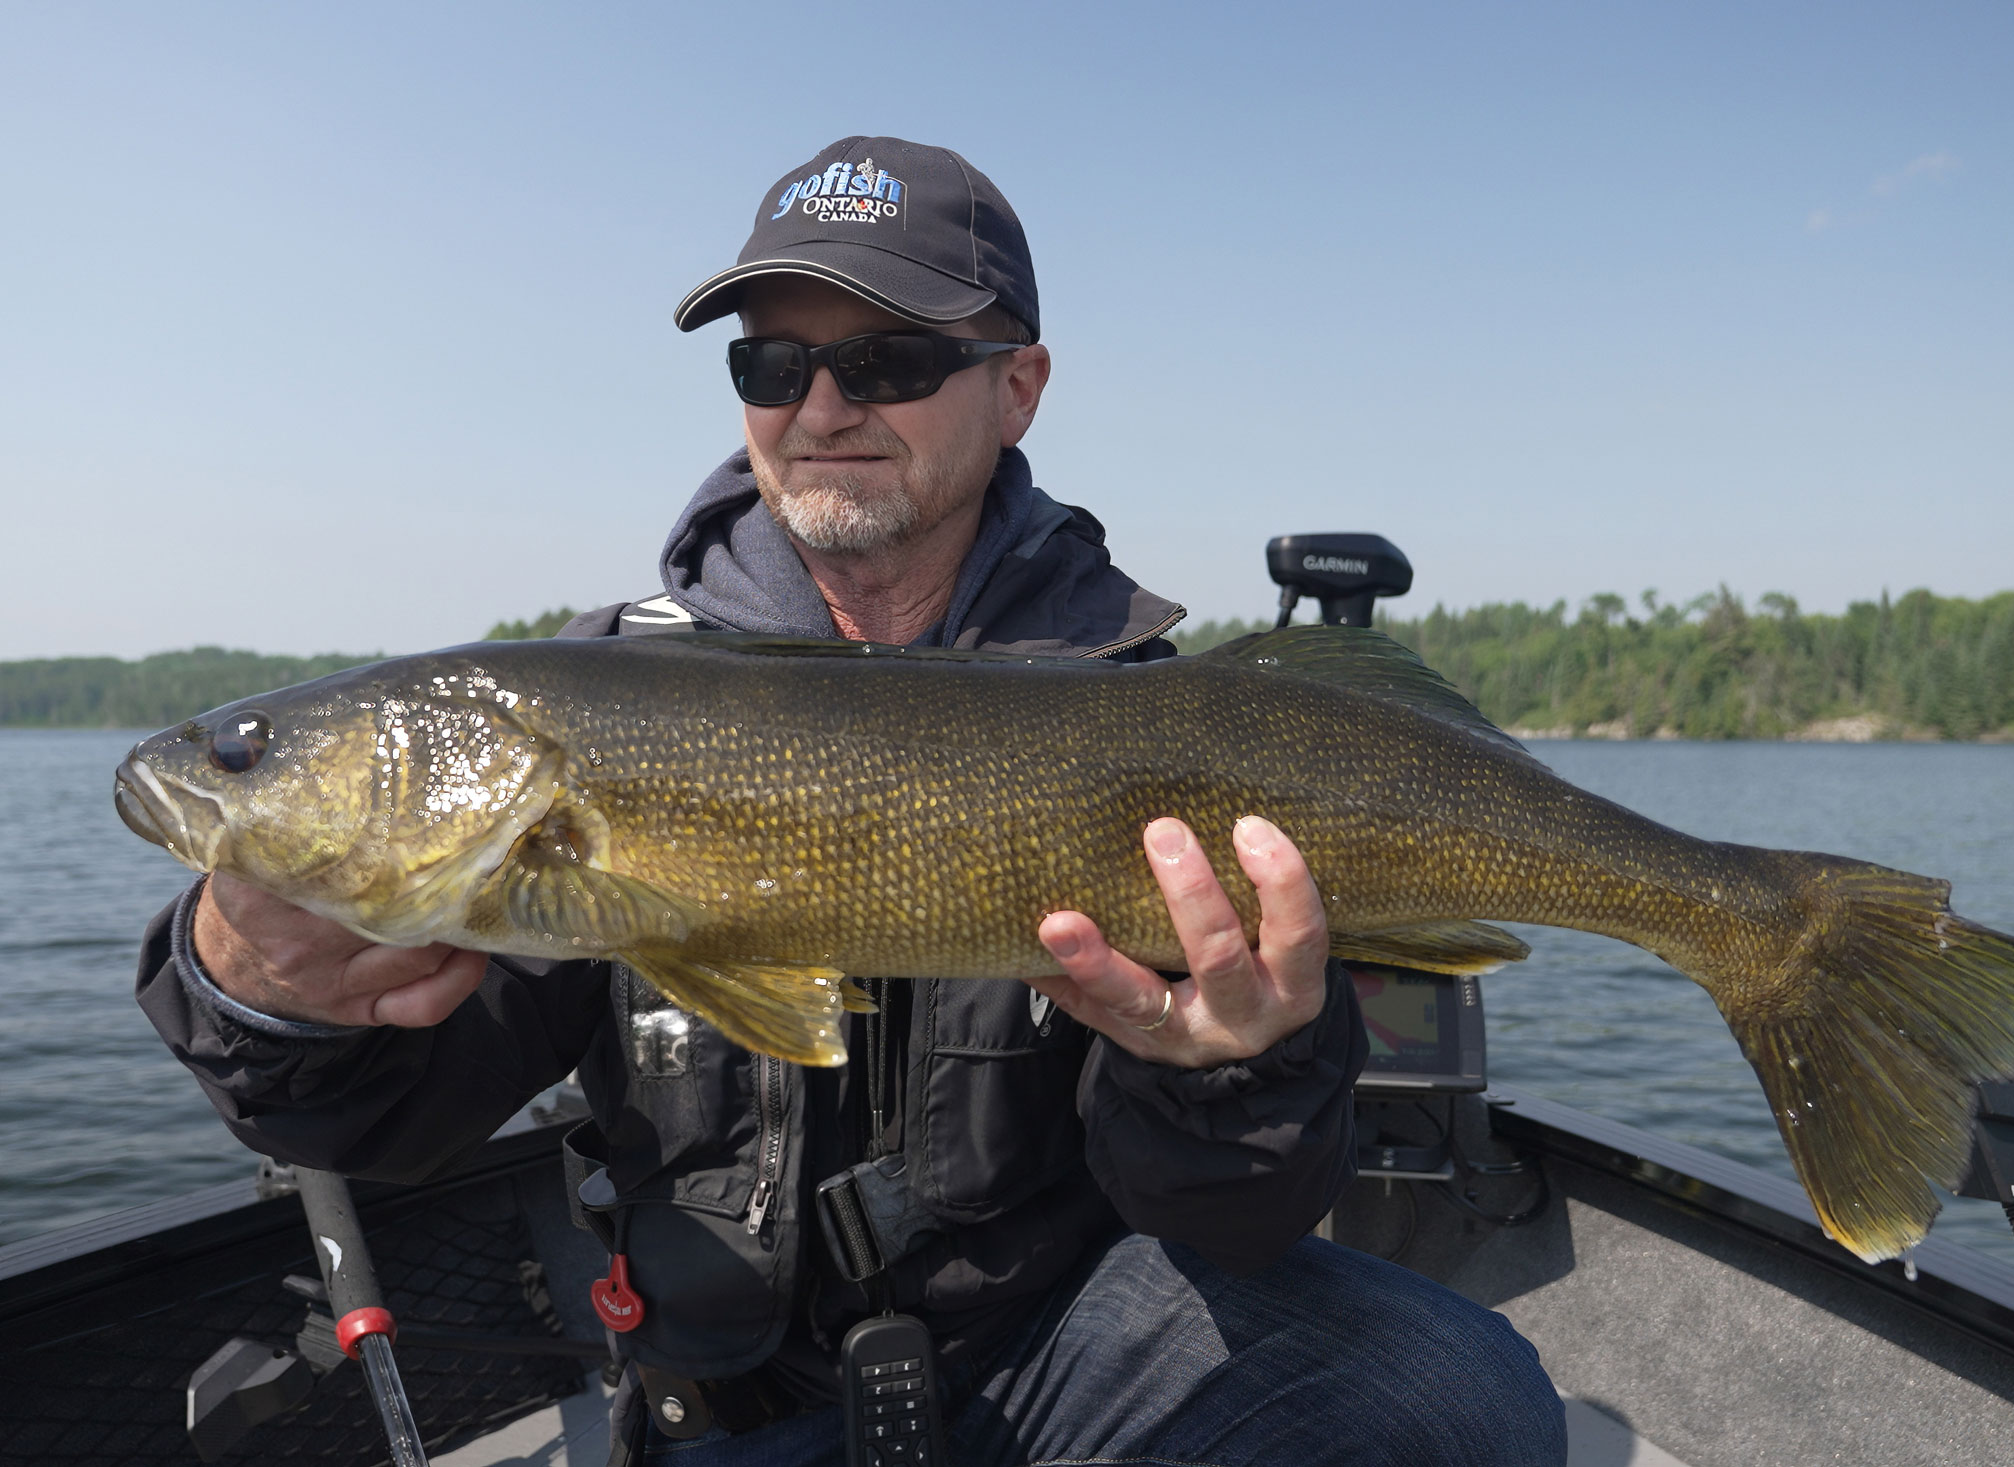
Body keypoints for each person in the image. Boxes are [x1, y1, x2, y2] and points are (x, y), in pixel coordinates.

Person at [137, 137, 1564, 1466]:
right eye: (772, 362)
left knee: (1455, 1394)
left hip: (1051, 1351)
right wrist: (254, 992)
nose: (822, 407)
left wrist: (1230, 1070)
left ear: (1019, 387)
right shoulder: (581, 713)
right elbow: (378, 1130)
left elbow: (1228, 1222)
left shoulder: (1155, 706)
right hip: (720, 1398)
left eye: (886, 359)